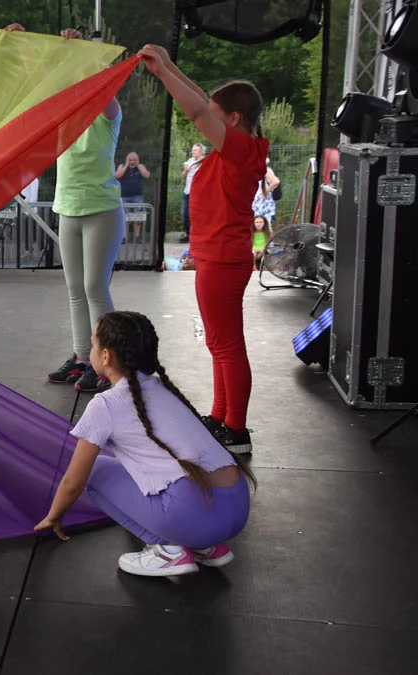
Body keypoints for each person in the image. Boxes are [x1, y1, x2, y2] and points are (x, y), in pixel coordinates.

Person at [35, 311, 255, 577]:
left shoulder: (105, 405)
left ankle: (170, 550)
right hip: (238, 507)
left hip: (192, 514)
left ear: (105, 356)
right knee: (150, 469)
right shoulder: (163, 388)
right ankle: (206, 547)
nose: (90, 350)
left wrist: (54, 516)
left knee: (96, 470)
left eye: (92, 344)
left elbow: (73, 481)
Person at [139, 45, 267, 455]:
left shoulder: (241, 151)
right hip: (217, 257)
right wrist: (169, 64)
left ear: (234, 119)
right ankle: (221, 418)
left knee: (227, 344)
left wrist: (164, 73)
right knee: (219, 343)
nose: (207, 120)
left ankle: (237, 430)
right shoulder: (239, 149)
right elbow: (201, 102)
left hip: (224, 260)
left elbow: (197, 111)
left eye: (217, 114)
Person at [8, 25, 125, 394]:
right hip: (69, 210)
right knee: (75, 288)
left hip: (102, 210)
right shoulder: (65, 118)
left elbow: (101, 87)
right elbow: (44, 83)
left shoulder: (108, 114)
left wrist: (80, 55)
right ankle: (81, 357)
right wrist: (25, 45)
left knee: (94, 287)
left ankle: (105, 363)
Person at [181, 144, 205, 243]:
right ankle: (189, 234)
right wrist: (185, 170)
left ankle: (197, 235)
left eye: (195, 150)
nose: (193, 152)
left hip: (198, 193)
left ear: (200, 151)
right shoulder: (190, 161)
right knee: (185, 214)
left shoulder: (204, 162)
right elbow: (183, 176)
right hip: (187, 191)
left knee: (197, 215)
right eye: (192, 150)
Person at [253, 157, 280, 225]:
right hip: (258, 202)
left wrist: (265, 191)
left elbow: (276, 181)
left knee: (262, 224)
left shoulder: (265, 171)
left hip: (261, 203)